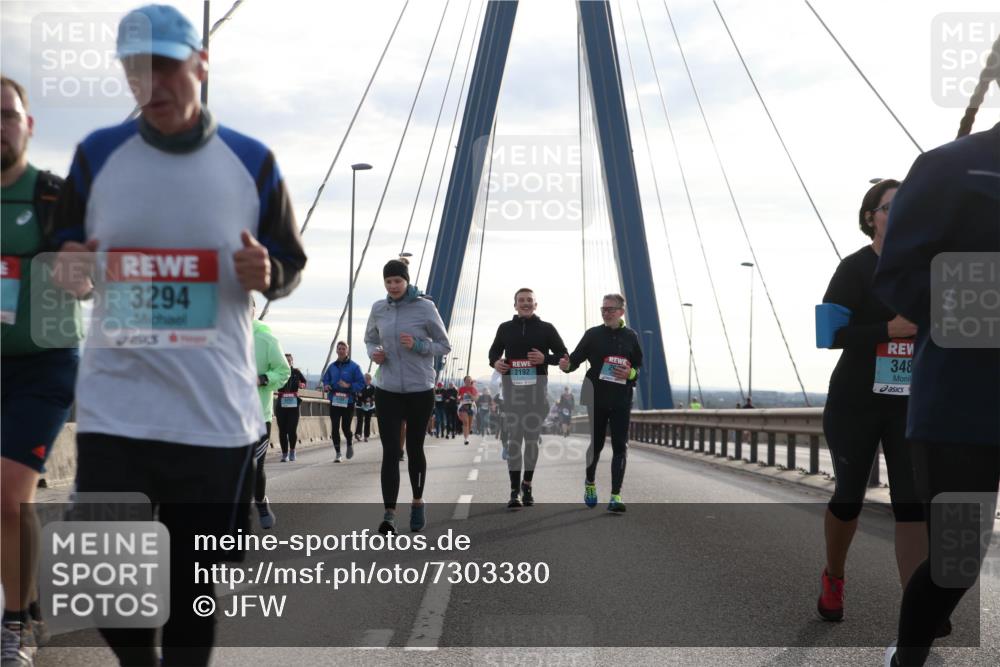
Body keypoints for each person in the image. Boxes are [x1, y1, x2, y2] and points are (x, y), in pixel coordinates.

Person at [46, 5, 307, 664]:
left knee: (193, 585)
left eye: (166, 66)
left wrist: (268, 271)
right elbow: (64, 255)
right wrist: (72, 272)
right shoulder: (97, 154)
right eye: (137, 69)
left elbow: (290, 263)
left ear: (202, 65)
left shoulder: (251, 161)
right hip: (115, 409)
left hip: (210, 414)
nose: (152, 83)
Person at [873, 72, 1000, 664]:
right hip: (962, 407)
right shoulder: (950, 165)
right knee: (956, 561)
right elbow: (898, 275)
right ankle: (909, 657)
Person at [814, 178, 925, 625]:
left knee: (911, 501)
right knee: (849, 498)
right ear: (870, 217)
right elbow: (829, 336)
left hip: (909, 404)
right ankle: (834, 577)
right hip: (855, 403)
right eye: (890, 206)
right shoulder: (854, 268)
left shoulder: (926, 269)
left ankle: (919, 606)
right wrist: (888, 330)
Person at [1, 75, 80, 667]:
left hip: (44, 365)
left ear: (29, 125)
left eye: (8, 115)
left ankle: (14, 626)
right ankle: (27, 597)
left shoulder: (53, 196)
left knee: (7, 496)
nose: (0, 127)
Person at [365, 259, 450, 534]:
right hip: (387, 388)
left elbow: (444, 345)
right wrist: (373, 353)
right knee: (390, 451)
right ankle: (389, 513)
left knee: (415, 449)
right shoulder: (379, 308)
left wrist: (418, 345)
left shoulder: (425, 307)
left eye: (397, 281)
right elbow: (369, 339)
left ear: (407, 281)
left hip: (419, 390)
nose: (393, 286)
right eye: (388, 282)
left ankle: (417, 502)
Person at [559, 294, 642, 513]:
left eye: (610, 309)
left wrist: (631, 372)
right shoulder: (593, 334)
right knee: (596, 444)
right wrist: (566, 365)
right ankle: (590, 483)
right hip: (596, 396)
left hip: (622, 398)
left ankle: (615, 495)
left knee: (620, 446)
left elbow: (638, 368)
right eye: (603, 309)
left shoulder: (631, 336)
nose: (605, 312)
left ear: (621, 312)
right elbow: (574, 362)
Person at [489, 287, 568, 507]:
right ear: (514, 305)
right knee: (514, 441)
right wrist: (496, 362)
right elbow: (493, 353)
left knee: (531, 441)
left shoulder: (546, 329)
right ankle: (514, 491)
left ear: (536, 304)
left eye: (529, 300)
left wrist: (545, 358)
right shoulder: (505, 329)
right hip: (512, 396)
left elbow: (563, 355)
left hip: (536, 397)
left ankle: (527, 485)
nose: (525, 303)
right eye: (521, 300)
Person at [251, 297, 290, 529]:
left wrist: (264, 378)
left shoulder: (265, 338)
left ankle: (261, 502)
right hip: (224, 418)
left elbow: (283, 372)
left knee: (255, 468)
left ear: (253, 310)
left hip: (257, 416)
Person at [322, 342, 365, 463]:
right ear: (336, 351)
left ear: (347, 351)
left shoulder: (354, 367)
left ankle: (350, 443)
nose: (341, 351)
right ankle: (338, 453)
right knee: (335, 426)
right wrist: (326, 386)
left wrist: (349, 385)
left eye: (343, 349)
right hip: (335, 399)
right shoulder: (332, 367)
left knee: (345, 427)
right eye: (339, 348)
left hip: (348, 401)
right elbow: (325, 380)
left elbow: (361, 384)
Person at [275, 353, 307, 462]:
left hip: (293, 404)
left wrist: (301, 385)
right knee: (282, 430)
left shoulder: (296, 372)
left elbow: (304, 381)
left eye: (289, 360)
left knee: (292, 430)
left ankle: (292, 450)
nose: (288, 362)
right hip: (281, 404)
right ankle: (285, 454)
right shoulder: (279, 372)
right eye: (285, 360)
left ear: (292, 361)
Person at [456, 376, 478, 446]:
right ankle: (466, 439)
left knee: (469, 424)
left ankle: (467, 436)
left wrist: (470, 395)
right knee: (465, 422)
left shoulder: (473, 389)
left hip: (471, 407)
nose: (468, 381)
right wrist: (460, 397)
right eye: (467, 380)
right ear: (464, 381)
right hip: (463, 406)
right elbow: (458, 398)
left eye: (469, 380)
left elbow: (475, 399)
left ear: (471, 381)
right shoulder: (461, 389)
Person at [354, 373, 375, 442]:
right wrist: (360, 396)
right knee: (360, 420)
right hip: (360, 405)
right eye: (365, 379)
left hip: (369, 406)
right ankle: (358, 434)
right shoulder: (360, 386)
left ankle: (366, 436)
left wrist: (371, 399)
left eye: (368, 379)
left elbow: (374, 396)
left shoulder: (373, 387)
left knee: (367, 421)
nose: (366, 380)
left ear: (370, 380)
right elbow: (357, 394)